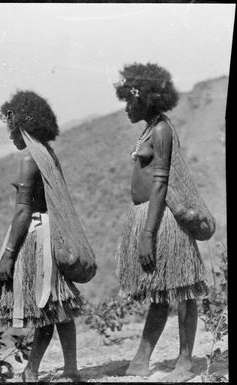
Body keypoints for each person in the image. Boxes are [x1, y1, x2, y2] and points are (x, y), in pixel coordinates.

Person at [114, 63, 213, 382]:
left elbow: (160, 184)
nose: (127, 107)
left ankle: (185, 362)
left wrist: (148, 233)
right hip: (152, 217)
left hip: (163, 221)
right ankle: (142, 357)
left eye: (131, 101)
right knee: (159, 290)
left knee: (183, 289)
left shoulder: (161, 130)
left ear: (147, 100)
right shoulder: (151, 128)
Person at [0, 90, 89, 382]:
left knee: (46, 307)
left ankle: (31, 371)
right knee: (59, 305)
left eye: (12, 129)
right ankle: (70, 368)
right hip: (52, 233)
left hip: (38, 237)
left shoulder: (29, 159)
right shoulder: (47, 154)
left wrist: (8, 255)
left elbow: (22, 211)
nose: (10, 137)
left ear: (24, 127)